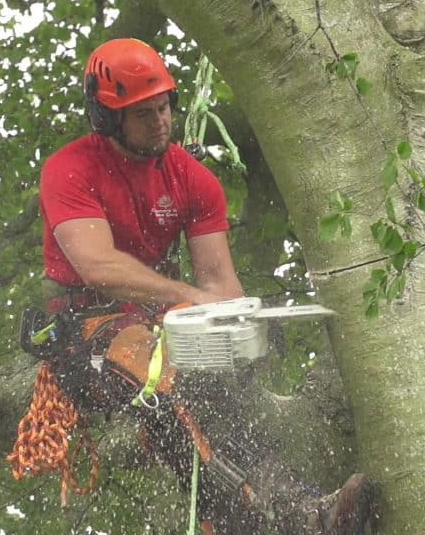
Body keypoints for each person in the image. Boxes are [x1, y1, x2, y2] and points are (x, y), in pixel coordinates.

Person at [21, 37, 379, 534]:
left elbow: (219, 281)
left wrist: (242, 327)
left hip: (161, 325)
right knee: (177, 380)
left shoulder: (192, 180)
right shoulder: (70, 169)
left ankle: (230, 520)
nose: (160, 121)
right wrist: (189, 299)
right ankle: (303, 515)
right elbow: (97, 265)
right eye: (143, 113)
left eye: (164, 107)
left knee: (220, 387)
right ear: (107, 118)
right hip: (89, 333)